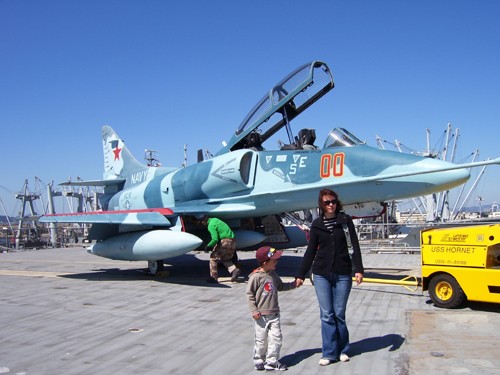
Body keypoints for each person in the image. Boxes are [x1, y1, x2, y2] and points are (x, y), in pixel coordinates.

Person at [295, 189, 364, 366]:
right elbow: (310, 251)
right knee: (327, 314)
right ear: (322, 204)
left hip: (343, 273)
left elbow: (354, 246)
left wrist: (358, 269)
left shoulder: (345, 221)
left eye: (333, 201)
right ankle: (329, 352)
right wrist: (300, 274)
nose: (331, 205)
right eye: (327, 202)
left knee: (339, 313)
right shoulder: (317, 225)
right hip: (321, 274)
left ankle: (343, 349)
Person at [246, 246, 297, 371]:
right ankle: (259, 359)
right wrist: (254, 310)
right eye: (274, 260)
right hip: (261, 315)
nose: (277, 262)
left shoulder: (273, 275)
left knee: (276, 337)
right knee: (261, 339)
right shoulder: (255, 277)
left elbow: (281, 286)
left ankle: (272, 361)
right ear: (265, 262)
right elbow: (249, 294)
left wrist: (294, 285)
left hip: (274, 314)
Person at [200, 216, 241, 283]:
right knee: (225, 258)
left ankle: (213, 278)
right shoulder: (216, 220)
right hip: (233, 241)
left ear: (203, 221)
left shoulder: (210, 225)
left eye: (200, 222)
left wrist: (208, 246)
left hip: (225, 242)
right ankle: (234, 270)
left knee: (213, 258)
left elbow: (215, 239)